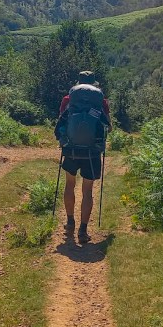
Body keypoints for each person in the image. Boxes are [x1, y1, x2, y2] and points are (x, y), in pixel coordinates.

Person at [56, 70, 111, 243]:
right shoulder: (101, 101)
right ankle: (83, 231)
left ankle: (70, 222)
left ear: (78, 83)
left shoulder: (68, 99)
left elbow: (61, 122)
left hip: (71, 150)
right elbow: (108, 127)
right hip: (92, 152)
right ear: (94, 84)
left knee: (69, 185)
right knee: (87, 191)